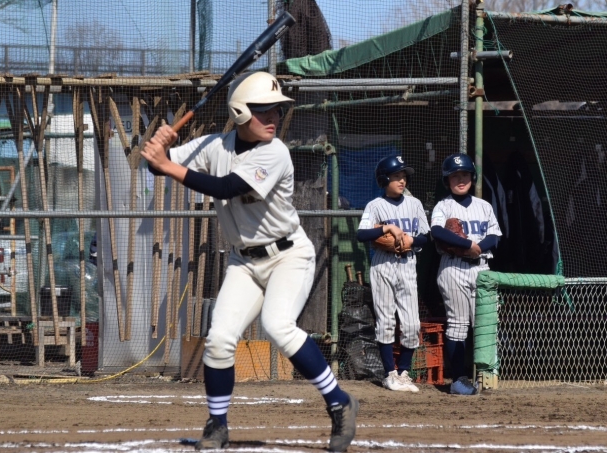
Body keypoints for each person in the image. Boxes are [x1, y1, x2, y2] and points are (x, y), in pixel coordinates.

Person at [141, 71, 359, 452]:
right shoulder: (215, 146)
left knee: (278, 326)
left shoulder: (275, 152)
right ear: (240, 113)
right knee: (219, 340)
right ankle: (217, 425)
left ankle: (339, 402)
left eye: (277, 110)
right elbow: (156, 165)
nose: (274, 117)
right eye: (263, 110)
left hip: (288, 255)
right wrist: (158, 149)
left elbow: (228, 186)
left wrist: (167, 165)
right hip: (244, 262)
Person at [356, 156, 429, 393]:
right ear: (384, 179)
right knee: (386, 320)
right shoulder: (375, 205)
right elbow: (362, 234)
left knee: (411, 323)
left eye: (404, 176)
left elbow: (425, 236)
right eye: (396, 176)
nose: (402, 180)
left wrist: (411, 240)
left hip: (407, 263)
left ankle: (404, 373)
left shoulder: (414, 203)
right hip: (383, 264)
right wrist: (386, 227)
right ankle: (390, 374)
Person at [431, 153, 501, 395]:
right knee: (459, 325)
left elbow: (494, 236)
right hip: (454, 268)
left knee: (485, 324)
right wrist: (466, 245)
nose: (460, 180)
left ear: (473, 177)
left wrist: (476, 247)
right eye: (454, 176)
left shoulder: (484, 206)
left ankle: (486, 376)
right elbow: (437, 232)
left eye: (465, 175)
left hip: (481, 267)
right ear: (447, 180)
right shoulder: (443, 206)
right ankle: (458, 380)